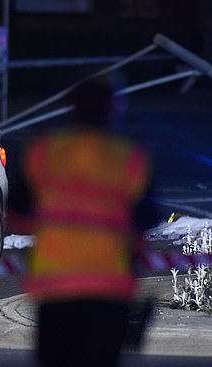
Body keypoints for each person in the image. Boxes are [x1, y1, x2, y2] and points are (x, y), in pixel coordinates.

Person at [21, 75, 154, 367]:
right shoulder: (129, 158)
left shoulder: (44, 152)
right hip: (108, 292)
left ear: (71, 108)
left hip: (55, 290)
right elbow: (143, 224)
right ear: (113, 110)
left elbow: (18, 214)